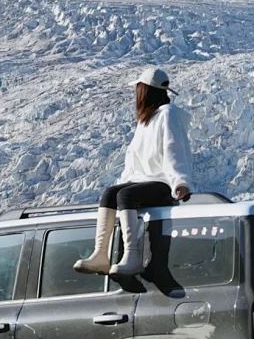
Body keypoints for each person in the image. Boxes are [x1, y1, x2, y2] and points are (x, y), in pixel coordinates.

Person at [74, 67, 192, 277]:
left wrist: (180, 181)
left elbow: (174, 147)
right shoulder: (147, 119)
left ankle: (132, 256)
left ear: (145, 91)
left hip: (162, 182)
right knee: (111, 193)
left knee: (125, 196)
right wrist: (126, 180)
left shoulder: (168, 115)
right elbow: (134, 158)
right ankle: (101, 254)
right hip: (143, 180)